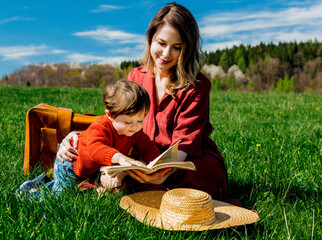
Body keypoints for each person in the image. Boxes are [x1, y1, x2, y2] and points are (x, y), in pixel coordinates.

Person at [57, 2, 228, 200]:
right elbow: (119, 120)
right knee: (110, 175)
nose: (165, 54)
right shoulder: (136, 76)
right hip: (142, 155)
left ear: (187, 49)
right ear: (150, 39)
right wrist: (77, 135)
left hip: (183, 161)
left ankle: (148, 188)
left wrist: (161, 174)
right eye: (161, 43)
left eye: (176, 48)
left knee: (197, 185)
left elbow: (184, 144)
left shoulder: (197, 85)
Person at [20, 80, 162, 196]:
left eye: (140, 120)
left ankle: (43, 182)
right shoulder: (101, 127)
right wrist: (119, 158)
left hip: (89, 170)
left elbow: (147, 147)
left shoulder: (134, 132)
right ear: (110, 115)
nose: (135, 126)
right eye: (128, 122)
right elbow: (96, 149)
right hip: (70, 165)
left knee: (74, 190)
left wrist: (159, 162)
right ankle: (30, 194)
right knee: (61, 196)